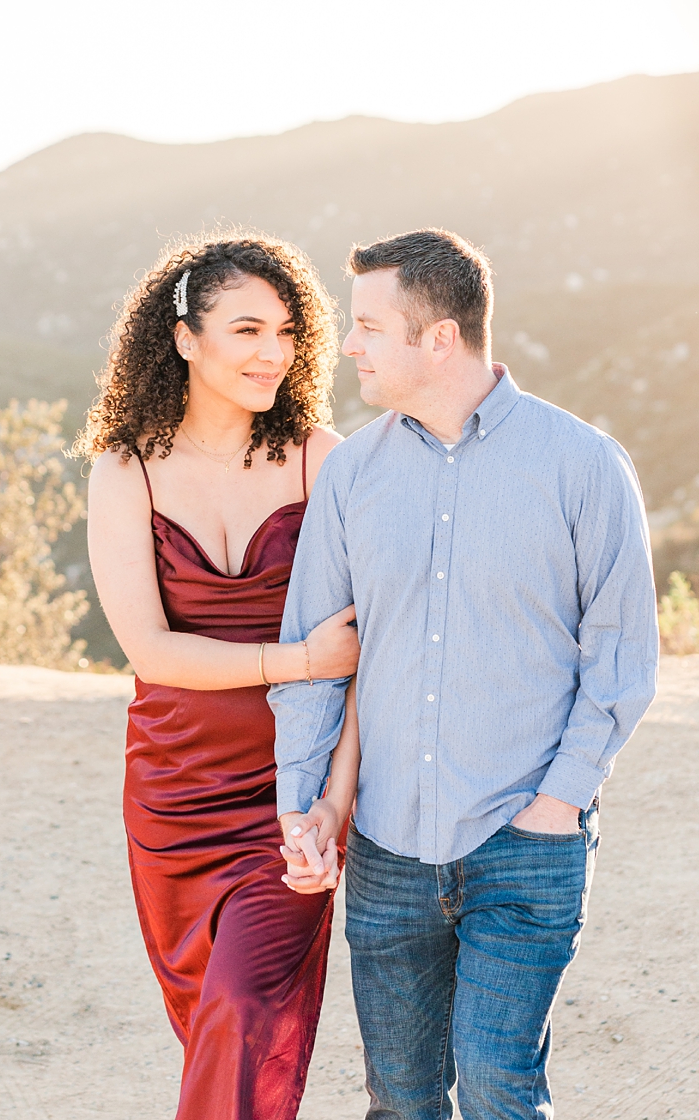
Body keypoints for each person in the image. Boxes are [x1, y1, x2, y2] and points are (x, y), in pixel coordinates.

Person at [271, 228, 659, 1119]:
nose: (349, 345)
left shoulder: (583, 465)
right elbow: (314, 661)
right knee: (402, 1099)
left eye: (369, 324)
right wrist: (306, 803)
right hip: (386, 850)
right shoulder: (351, 477)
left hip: (526, 844)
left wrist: (558, 803)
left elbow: (622, 656)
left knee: (496, 1088)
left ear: (438, 337)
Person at [81, 234, 362, 1120]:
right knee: (217, 1028)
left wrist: (334, 807)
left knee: (243, 1012)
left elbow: (371, 659)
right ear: (184, 339)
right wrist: (299, 661)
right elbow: (151, 652)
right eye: (246, 328)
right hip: (173, 795)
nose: (271, 353)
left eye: (285, 332)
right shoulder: (124, 468)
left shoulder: (322, 456)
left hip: (290, 794)